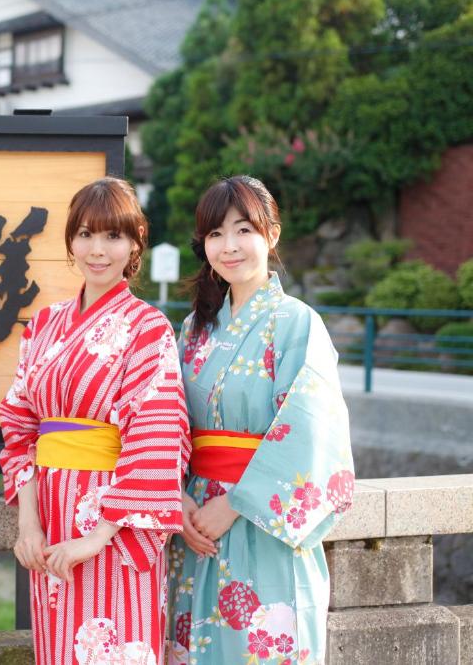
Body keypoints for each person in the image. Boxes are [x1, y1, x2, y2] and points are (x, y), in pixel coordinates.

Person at [0, 177, 191, 665]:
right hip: (49, 525)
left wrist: (98, 536)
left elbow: (155, 436)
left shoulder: (148, 329)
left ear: (134, 244)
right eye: (85, 234)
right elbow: (20, 425)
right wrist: (29, 524)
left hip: (114, 528)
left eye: (113, 236)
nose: (97, 250)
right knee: (59, 649)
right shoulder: (43, 325)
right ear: (70, 242)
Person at [167, 176, 355, 665]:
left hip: (262, 523)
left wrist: (236, 502)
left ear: (271, 234)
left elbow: (313, 429)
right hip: (197, 525)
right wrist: (179, 498)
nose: (229, 246)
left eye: (243, 229)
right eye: (215, 234)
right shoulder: (193, 329)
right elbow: (166, 421)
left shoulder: (297, 322)